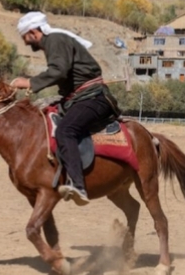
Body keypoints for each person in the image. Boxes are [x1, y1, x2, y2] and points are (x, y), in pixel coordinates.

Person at [10, 11, 119, 206]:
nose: (26, 43)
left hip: (93, 98)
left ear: (34, 32)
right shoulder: (54, 41)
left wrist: (30, 82)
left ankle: (78, 186)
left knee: (66, 131)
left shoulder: (55, 40)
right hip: (77, 98)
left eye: (26, 37)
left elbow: (59, 71)